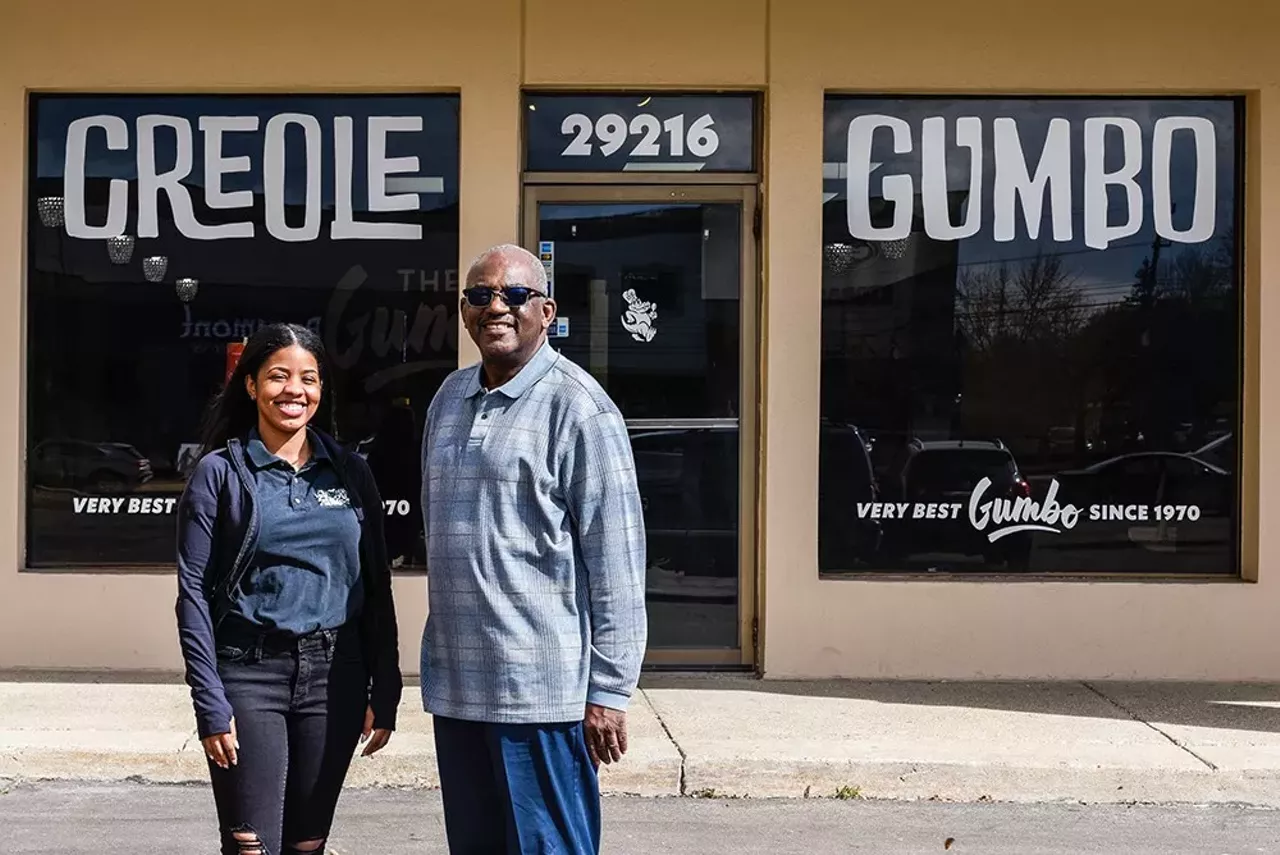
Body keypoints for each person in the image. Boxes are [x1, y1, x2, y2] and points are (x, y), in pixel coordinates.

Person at [420, 244, 648, 854]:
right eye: (480, 295)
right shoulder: (447, 400)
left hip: (542, 695)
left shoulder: (580, 408)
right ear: (464, 310)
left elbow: (617, 562)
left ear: (545, 311)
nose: (495, 306)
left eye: (514, 295)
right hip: (460, 688)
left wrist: (610, 690)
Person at [175, 323, 402, 855]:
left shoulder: (349, 473)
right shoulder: (219, 474)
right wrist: (210, 701)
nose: (293, 391)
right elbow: (192, 593)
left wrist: (384, 687)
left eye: (308, 379)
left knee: (307, 844)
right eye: (278, 376)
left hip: (335, 677)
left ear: (321, 391)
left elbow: (375, 586)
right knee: (252, 845)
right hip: (249, 674)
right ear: (251, 385)